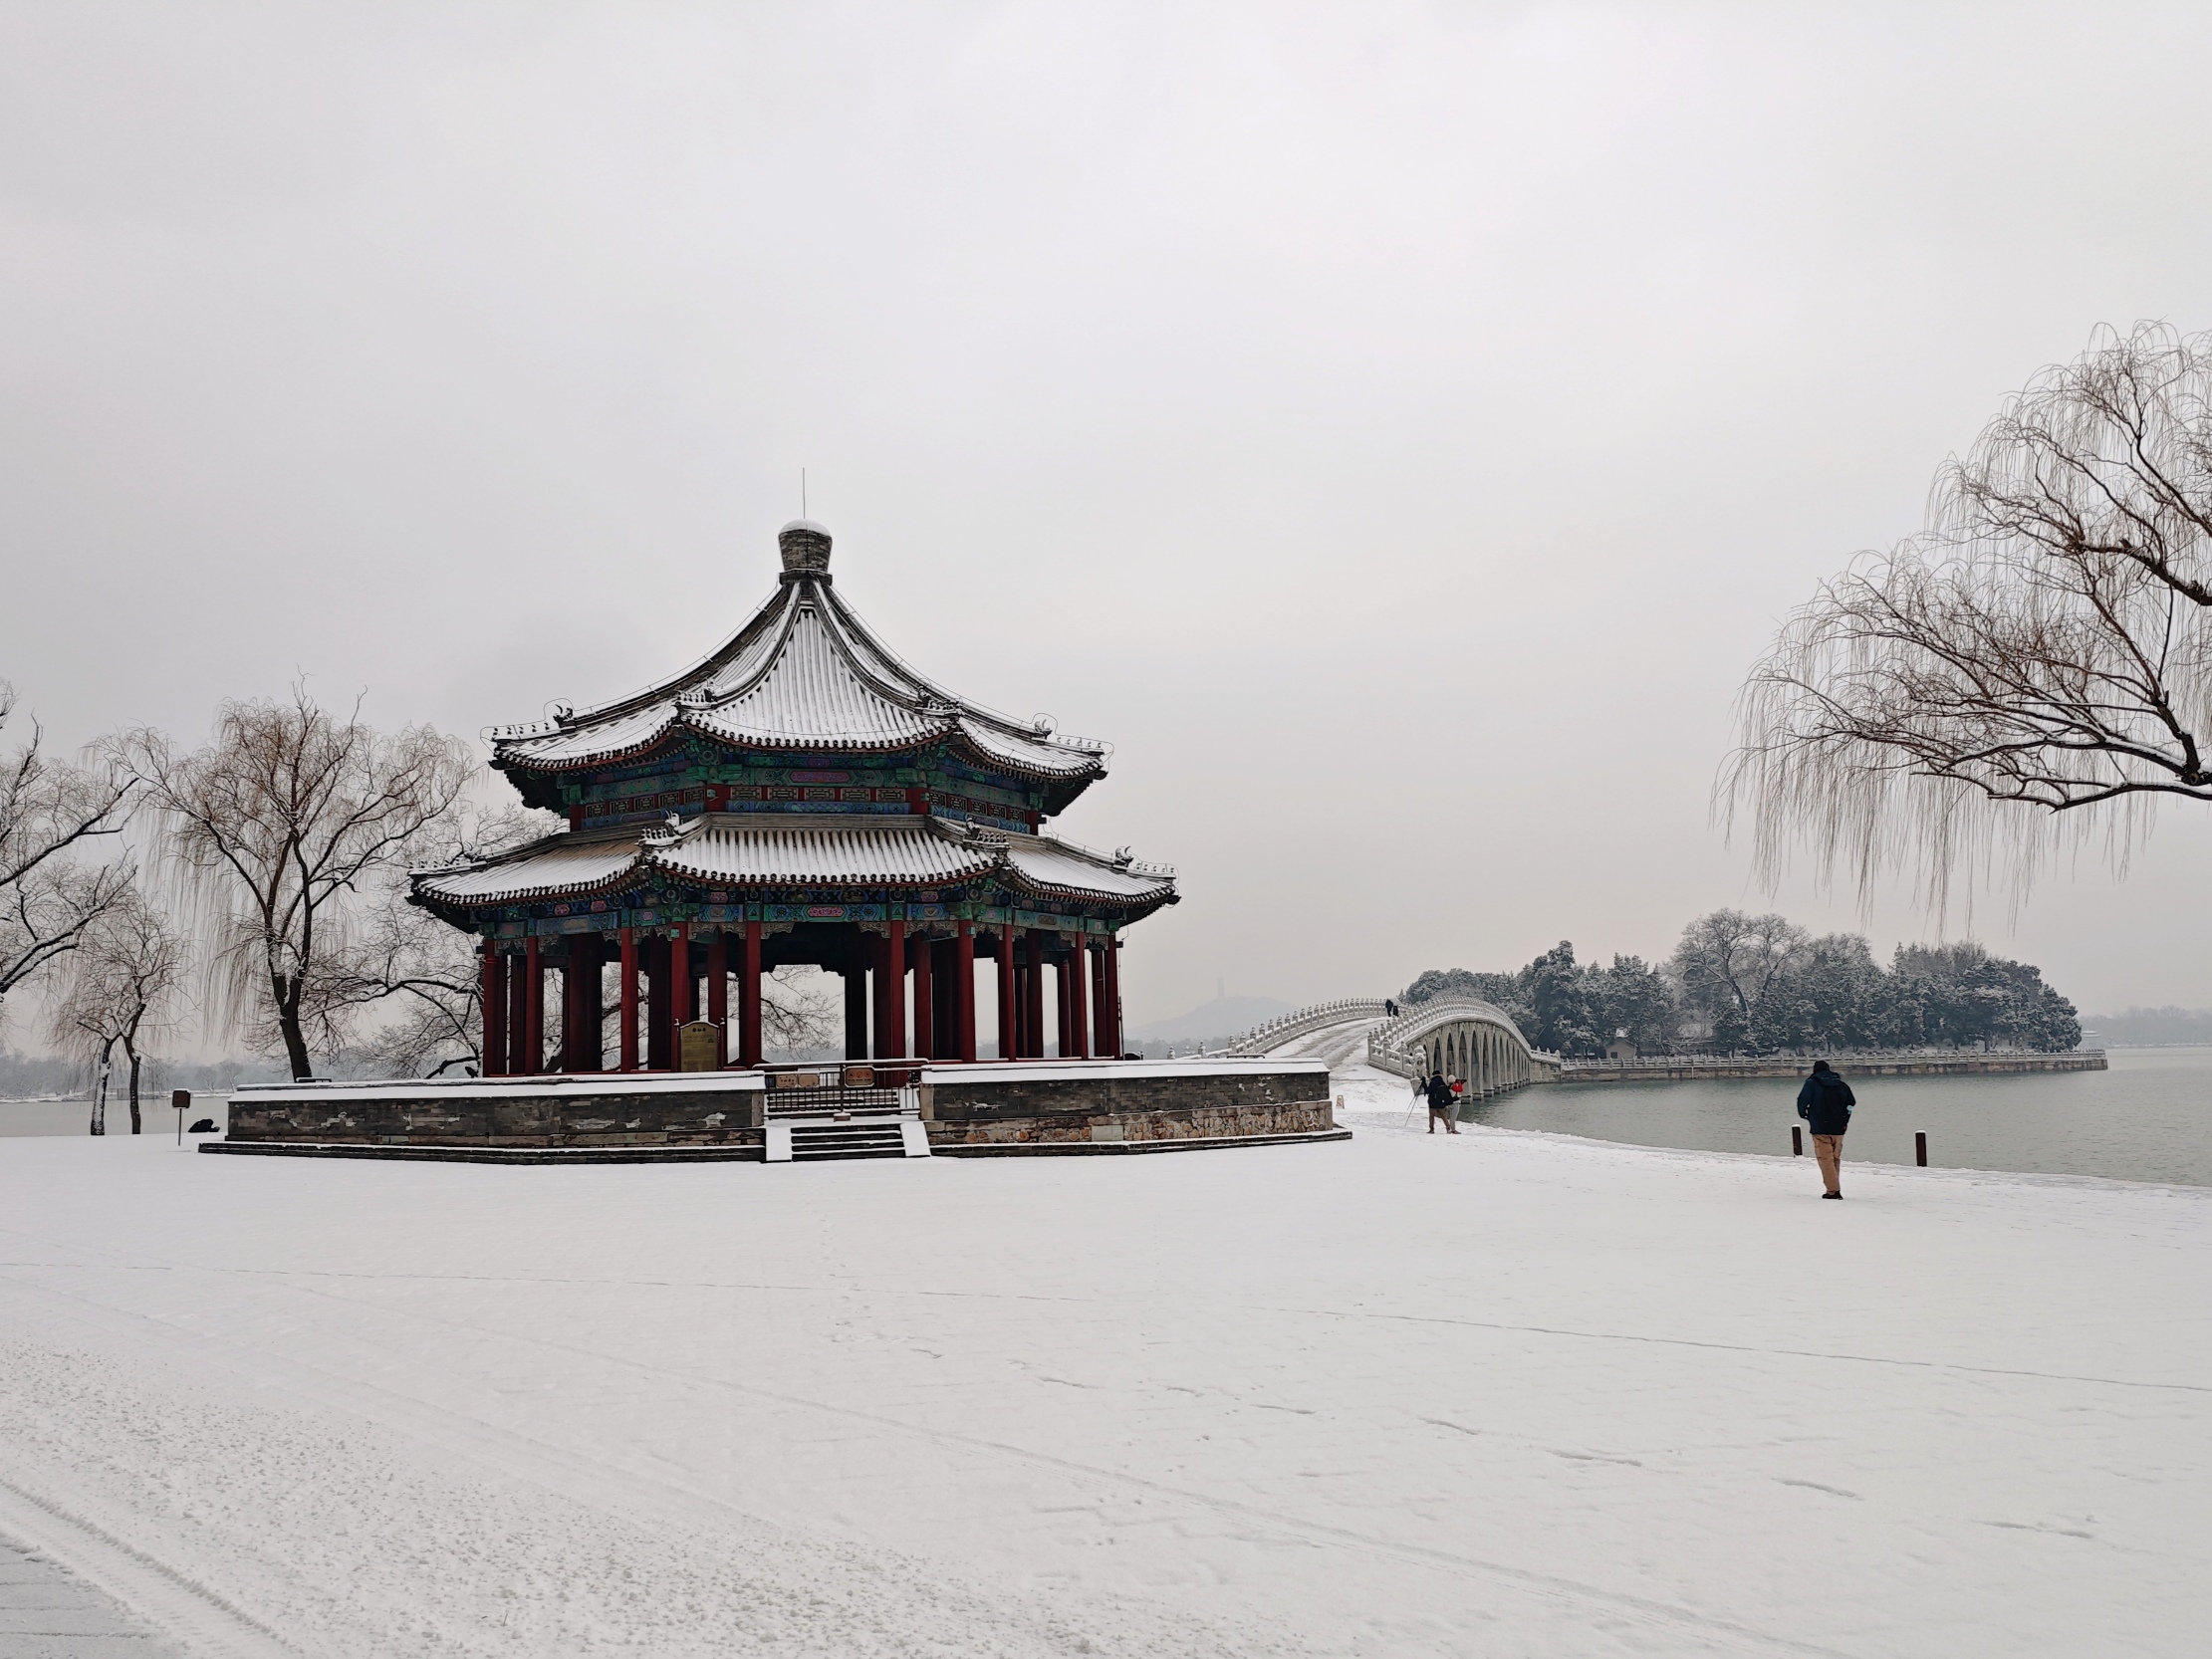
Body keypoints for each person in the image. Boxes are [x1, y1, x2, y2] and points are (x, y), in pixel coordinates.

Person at [1796, 1060, 1855, 1198]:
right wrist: (1846, 1118)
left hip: (1820, 1127)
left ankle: (1833, 1191)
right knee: (1835, 1158)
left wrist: (1804, 1114)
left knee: (1825, 1159)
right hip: (1839, 1128)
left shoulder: (1811, 1083)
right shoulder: (1841, 1085)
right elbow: (1851, 1103)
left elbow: (1802, 1100)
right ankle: (1834, 1186)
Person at [1425, 1070, 1460, 1135]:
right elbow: (1446, 1093)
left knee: (1431, 1116)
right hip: (1441, 1102)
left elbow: (1428, 1091)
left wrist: (1424, 1084)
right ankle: (1448, 1128)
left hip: (1432, 1102)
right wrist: (1450, 1100)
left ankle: (1431, 1129)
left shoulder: (1433, 1082)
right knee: (1444, 1116)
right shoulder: (1442, 1083)